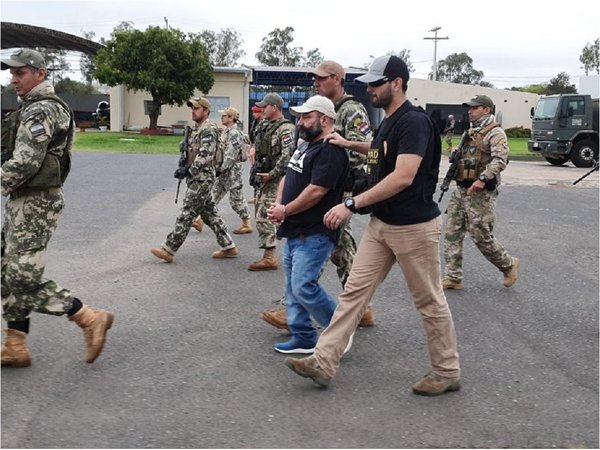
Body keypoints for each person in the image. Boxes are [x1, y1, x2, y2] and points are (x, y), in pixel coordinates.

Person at [284, 55, 461, 396]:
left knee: (429, 301)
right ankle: (323, 361)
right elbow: (382, 151)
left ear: (397, 83)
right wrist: (350, 143)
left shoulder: (414, 122)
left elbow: (404, 175)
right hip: (382, 224)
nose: (370, 89)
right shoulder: (388, 121)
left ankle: (446, 370)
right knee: (353, 294)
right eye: (369, 83)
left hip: (414, 227)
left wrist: (351, 203)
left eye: (376, 83)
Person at [1, 49, 114, 367]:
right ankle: (15, 344)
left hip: (36, 203)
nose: (14, 79)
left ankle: (89, 318)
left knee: (21, 278)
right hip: (23, 200)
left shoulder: (42, 110)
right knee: (7, 274)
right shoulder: (29, 109)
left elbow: (25, 162)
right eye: (12, 73)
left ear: (40, 73)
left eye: (20, 73)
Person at [260, 61, 376, 331]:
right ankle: (362, 307)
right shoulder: (320, 110)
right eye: (315, 78)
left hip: (340, 187)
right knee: (340, 247)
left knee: (316, 244)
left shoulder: (350, 110)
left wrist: (349, 148)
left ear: (337, 79)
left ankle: (296, 312)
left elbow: (372, 149)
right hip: (323, 181)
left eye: (321, 78)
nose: (316, 82)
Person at [266, 95, 349, 353]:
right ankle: (303, 337)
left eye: (306, 116)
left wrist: (286, 210)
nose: (300, 122)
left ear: (324, 119)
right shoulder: (305, 144)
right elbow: (288, 176)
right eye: (300, 117)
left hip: (315, 232)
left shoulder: (330, 150)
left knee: (303, 285)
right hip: (295, 228)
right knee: (293, 287)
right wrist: (280, 205)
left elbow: (317, 191)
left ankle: (340, 335)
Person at [442, 95, 520, 290]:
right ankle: (453, 276)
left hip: (481, 191)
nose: (470, 111)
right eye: (469, 108)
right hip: (462, 188)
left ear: (487, 109)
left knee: (480, 234)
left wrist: (482, 179)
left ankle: (508, 264)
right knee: (452, 230)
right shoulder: (469, 132)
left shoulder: (495, 133)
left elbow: (500, 160)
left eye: (475, 108)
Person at [150, 97, 238, 262]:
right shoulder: (197, 129)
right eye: (192, 108)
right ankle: (229, 246)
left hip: (202, 178)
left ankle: (169, 249)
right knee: (210, 214)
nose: (193, 111)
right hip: (197, 177)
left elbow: (206, 154)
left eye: (197, 108)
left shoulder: (208, 129)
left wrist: (189, 171)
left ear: (205, 111)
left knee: (187, 213)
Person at [248, 93, 295, 271]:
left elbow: (287, 156)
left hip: (277, 178)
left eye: (265, 106)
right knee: (267, 215)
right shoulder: (264, 126)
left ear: (274, 107)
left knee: (265, 216)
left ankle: (270, 257)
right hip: (264, 176)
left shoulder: (286, 129)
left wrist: (272, 174)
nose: (262, 109)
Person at [192, 107, 252, 235]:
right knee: (213, 196)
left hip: (232, 172)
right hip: (223, 171)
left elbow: (231, 154)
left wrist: (221, 169)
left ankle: (246, 222)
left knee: (236, 200)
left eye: (225, 116)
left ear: (231, 118)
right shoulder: (226, 132)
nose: (222, 118)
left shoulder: (234, 133)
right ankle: (200, 221)